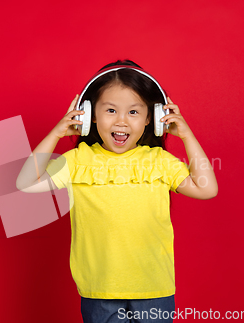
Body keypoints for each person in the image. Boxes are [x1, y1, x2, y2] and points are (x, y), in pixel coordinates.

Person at [16, 60, 218, 323]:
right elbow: (26, 182)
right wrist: (57, 133)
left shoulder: (159, 161)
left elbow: (207, 188)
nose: (121, 121)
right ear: (90, 115)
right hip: (100, 291)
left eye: (133, 112)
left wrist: (187, 136)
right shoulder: (78, 161)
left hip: (154, 289)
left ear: (151, 119)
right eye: (110, 110)